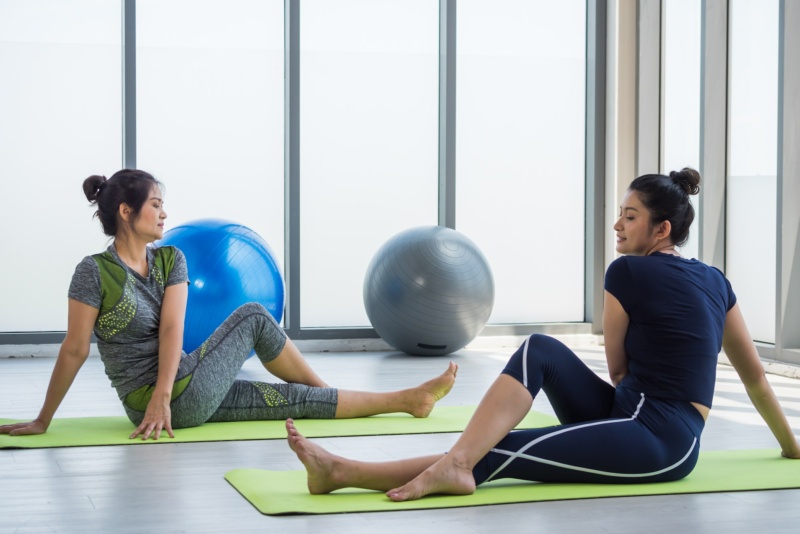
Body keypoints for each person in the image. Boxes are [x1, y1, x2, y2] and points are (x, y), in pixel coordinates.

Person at [284, 168, 800, 501]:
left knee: (504, 447)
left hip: (659, 442)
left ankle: (349, 472)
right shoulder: (717, 280)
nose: (618, 226)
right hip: (646, 421)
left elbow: (619, 372)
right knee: (542, 349)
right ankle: (447, 463)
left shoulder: (626, 274)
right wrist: (791, 449)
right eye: (619, 215)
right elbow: (754, 377)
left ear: (661, 229)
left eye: (630, 217)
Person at [0, 169, 457, 441]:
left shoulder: (170, 259)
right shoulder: (93, 272)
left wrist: (166, 396)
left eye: (164, 205)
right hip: (159, 401)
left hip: (185, 391)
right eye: (155, 205)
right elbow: (75, 349)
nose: (164, 214)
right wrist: (43, 420)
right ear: (125, 212)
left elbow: (173, 329)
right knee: (256, 315)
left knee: (292, 401)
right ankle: (327, 391)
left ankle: (409, 400)